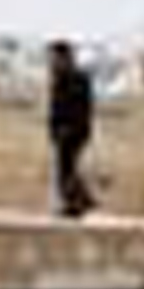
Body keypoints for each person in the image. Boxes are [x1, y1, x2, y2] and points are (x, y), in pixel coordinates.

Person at [46, 40, 96, 217]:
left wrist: (71, 128)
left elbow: (82, 108)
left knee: (67, 169)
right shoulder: (58, 79)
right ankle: (80, 201)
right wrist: (53, 130)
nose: (52, 62)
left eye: (55, 58)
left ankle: (78, 202)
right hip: (62, 132)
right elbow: (55, 108)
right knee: (67, 169)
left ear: (65, 57)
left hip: (74, 132)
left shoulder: (78, 79)